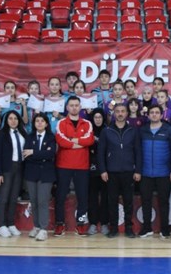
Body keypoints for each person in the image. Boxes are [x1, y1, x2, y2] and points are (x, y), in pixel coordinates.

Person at [98, 103, 142, 239]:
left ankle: (129, 228)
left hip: (129, 172)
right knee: (112, 201)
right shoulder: (106, 131)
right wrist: (103, 170)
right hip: (111, 172)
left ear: (127, 113)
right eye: (118, 111)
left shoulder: (133, 131)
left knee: (129, 201)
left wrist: (138, 170)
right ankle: (113, 228)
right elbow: (101, 153)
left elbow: (138, 152)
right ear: (114, 113)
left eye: (123, 111)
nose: (120, 114)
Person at [54, 96, 94, 236]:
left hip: (82, 165)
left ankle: (81, 224)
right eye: (71, 105)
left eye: (76, 105)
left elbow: (89, 140)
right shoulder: (61, 123)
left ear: (80, 107)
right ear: (67, 107)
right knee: (60, 196)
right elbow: (61, 141)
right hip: (63, 165)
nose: (74, 107)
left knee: (82, 197)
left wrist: (71, 140)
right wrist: (79, 143)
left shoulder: (87, 123)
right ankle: (59, 224)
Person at [138, 105, 171, 238]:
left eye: (157, 112)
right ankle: (146, 228)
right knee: (145, 201)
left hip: (164, 173)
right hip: (145, 172)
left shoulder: (169, 130)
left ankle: (165, 229)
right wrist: (138, 170)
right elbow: (137, 151)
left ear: (161, 115)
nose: (154, 114)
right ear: (148, 115)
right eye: (152, 112)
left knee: (164, 202)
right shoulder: (142, 130)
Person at [23, 113, 56, 242]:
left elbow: (50, 154)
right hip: (31, 173)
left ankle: (43, 229)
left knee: (42, 201)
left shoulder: (51, 137)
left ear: (46, 124)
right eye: (37, 121)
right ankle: (36, 226)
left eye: (42, 121)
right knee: (34, 200)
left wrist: (33, 152)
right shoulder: (29, 136)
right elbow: (26, 154)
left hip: (46, 174)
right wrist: (40, 154)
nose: (40, 123)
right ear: (34, 123)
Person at [0, 110, 27, 238]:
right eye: (10, 118)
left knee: (14, 197)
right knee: (3, 197)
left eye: (15, 118)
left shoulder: (23, 133)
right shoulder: (1, 134)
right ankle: (1, 225)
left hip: (19, 168)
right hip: (7, 168)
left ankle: (11, 223)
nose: (13, 121)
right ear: (6, 121)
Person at [87, 108, 109, 235]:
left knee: (106, 196)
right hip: (91, 168)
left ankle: (105, 223)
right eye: (96, 117)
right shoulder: (89, 131)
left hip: (106, 169)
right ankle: (93, 223)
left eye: (100, 117)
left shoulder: (108, 130)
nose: (98, 120)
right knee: (92, 197)